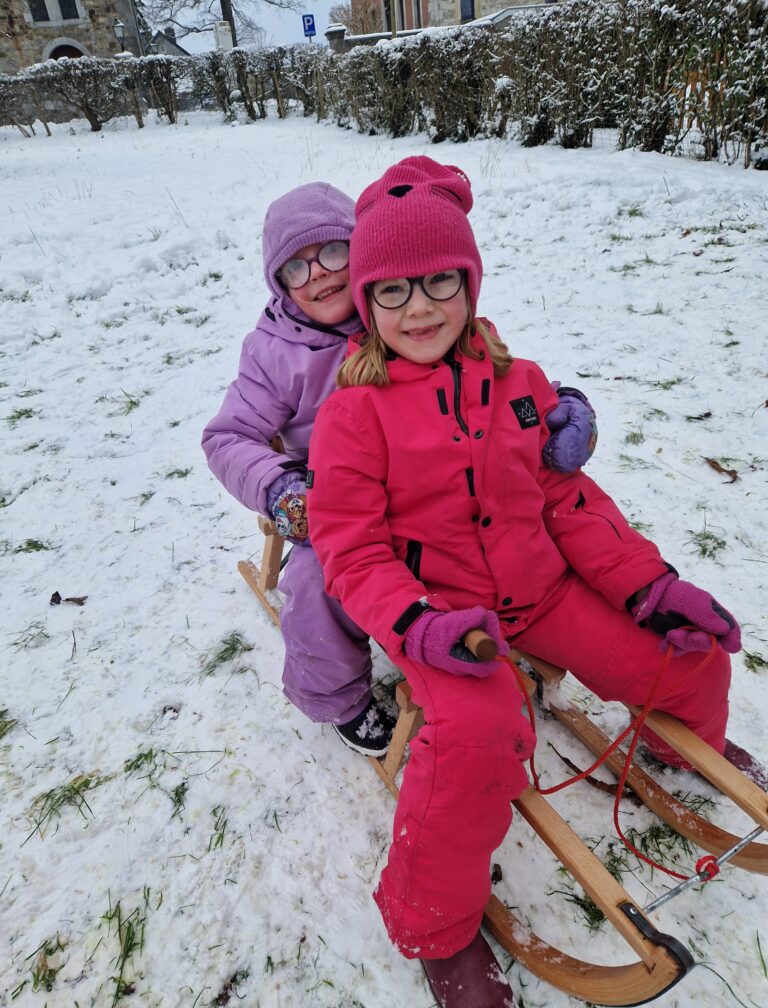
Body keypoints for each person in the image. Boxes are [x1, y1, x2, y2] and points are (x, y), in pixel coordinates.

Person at [305, 157, 747, 1008]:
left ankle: (677, 751)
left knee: (689, 657)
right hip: (444, 621)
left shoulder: (520, 385)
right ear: (366, 302)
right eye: (392, 291)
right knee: (478, 737)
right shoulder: (355, 413)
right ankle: (435, 928)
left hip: (542, 594)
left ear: (470, 281)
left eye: (440, 280)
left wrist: (650, 586)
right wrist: (417, 623)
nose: (419, 308)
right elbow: (349, 549)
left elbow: (569, 503)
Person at [202, 181, 597, 759]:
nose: (318, 274)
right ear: (279, 282)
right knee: (317, 583)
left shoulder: (406, 306)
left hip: (432, 476)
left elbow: (487, 375)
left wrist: (560, 407)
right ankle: (340, 696)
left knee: (510, 514)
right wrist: (281, 486)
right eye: (295, 267)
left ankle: (520, 617)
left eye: (332, 251)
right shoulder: (274, 353)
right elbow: (228, 436)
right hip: (337, 498)